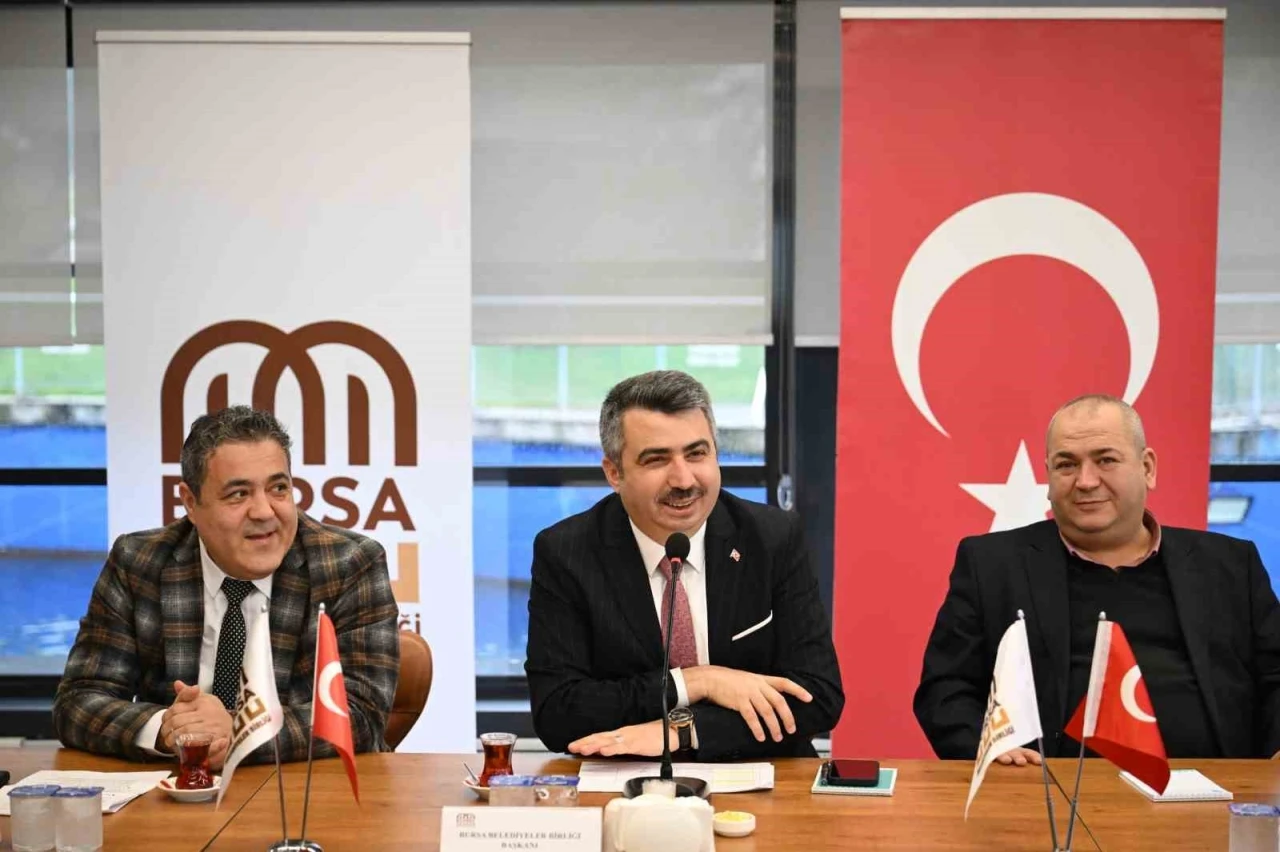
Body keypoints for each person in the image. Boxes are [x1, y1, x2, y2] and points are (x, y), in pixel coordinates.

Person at [915, 394, 1280, 763]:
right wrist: (990, 747)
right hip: (1045, 789)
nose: (1086, 481)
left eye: (1106, 460)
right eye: (1066, 465)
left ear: (1147, 468)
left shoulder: (1231, 564)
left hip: (1215, 786)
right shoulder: (992, 565)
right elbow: (945, 688)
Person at [53, 406, 400, 768]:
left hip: (299, 791)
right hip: (179, 790)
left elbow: (361, 714)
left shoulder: (349, 564)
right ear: (191, 502)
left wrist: (237, 731)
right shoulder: (140, 561)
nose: (264, 511)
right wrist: (167, 729)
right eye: (238, 494)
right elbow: (78, 701)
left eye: (278, 488)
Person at [525, 370, 844, 760]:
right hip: (627, 780)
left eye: (696, 454)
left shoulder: (771, 537)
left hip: (763, 773)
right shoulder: (567, 553)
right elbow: (558, 713)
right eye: (657, 459)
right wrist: (695, 682)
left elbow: (817, 696)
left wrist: (684, 732)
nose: (683, 479)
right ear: (614, 473)